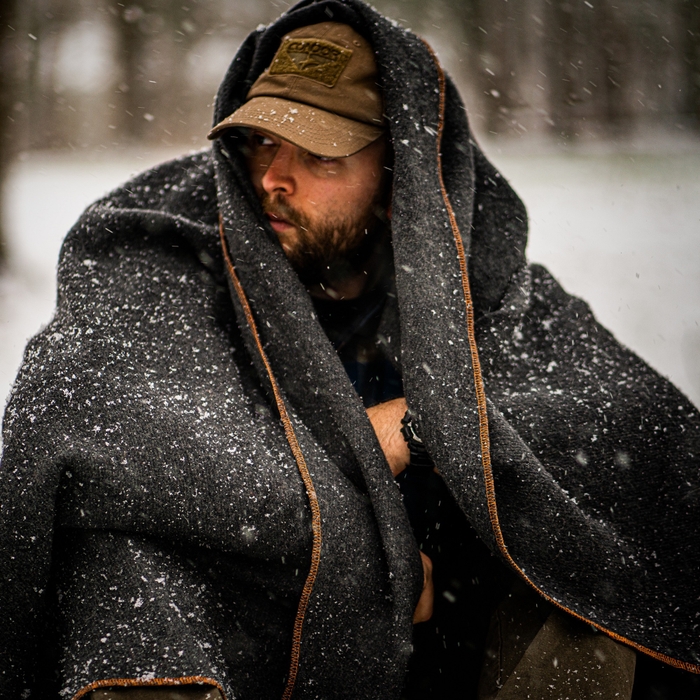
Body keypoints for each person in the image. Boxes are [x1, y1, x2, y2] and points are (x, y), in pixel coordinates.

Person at [1, 1, 699, 699]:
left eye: (318, 154)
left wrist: (425, 423)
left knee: (592, 579)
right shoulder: (162, 248)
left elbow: (640, 426)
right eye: (262, 142)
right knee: (119, 568)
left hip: (443, 642)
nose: (274, 175)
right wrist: (370, 555)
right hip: (246, 626)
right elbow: (78, 428)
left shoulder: (475, 275)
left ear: (399, 179)